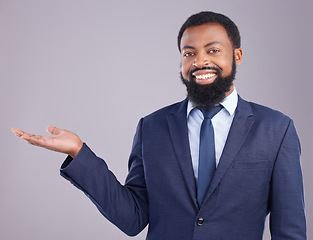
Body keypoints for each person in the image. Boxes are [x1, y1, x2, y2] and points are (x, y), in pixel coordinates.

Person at [12, 11, 306, 240]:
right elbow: (133, 218)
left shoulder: (276, 130)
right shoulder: (151, 128)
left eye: (213, 50)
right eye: (189, 52)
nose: (200, 60)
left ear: (237, 56)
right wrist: (79, 152)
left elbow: (289, 229)